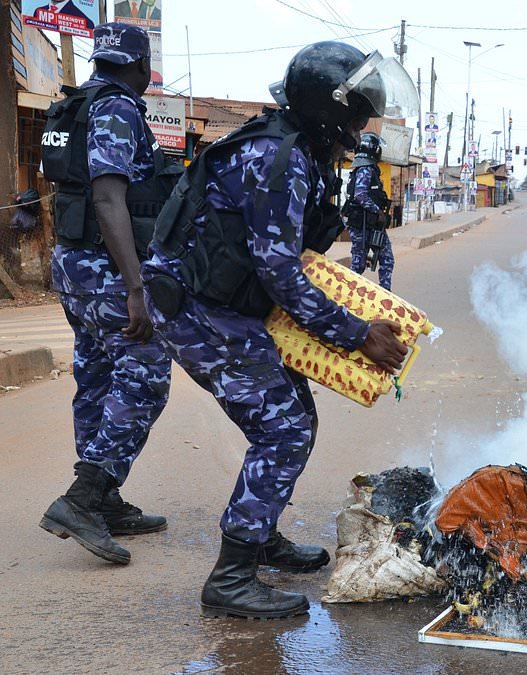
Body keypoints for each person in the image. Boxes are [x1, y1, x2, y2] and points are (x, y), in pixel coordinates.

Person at [141, 41, 412, 619]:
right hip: (197, 308)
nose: (362, 126)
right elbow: (280, 271)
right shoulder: (277, 157)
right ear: (327, 109)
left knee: (295, 413)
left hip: (227, 303)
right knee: (283, 430)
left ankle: (259, 536)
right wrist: (356, 333)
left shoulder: (300, 150)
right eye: (358, 113)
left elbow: (291, 259)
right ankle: (231, 578)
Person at [39, 22, 178, 566]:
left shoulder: (77, 104)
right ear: (141, 67)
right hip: (108, 270)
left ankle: (105, 501)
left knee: (96, 375)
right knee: (146, 374)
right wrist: (136, 287)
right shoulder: (118, 108)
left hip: (72, 266)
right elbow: (108, 197)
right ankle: (84, 497)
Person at [345, 131, 395, 290]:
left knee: (387, 259)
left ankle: (386, 294)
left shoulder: (370, 170)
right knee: (358, 264)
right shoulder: (365, 169)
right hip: (362, 224)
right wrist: (378, 212)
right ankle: (347, 294)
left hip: (372, 224)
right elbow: (360, 195)